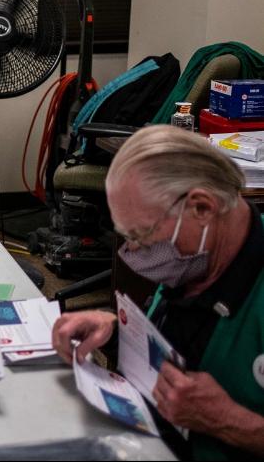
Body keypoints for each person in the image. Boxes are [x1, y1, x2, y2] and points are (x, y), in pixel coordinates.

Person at [51, 125, 264, 460]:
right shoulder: (197, 257)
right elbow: (182, 343)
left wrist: (228, 421)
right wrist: (116, 331)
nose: (132, 253)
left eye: (142, 235)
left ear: (202, 208)